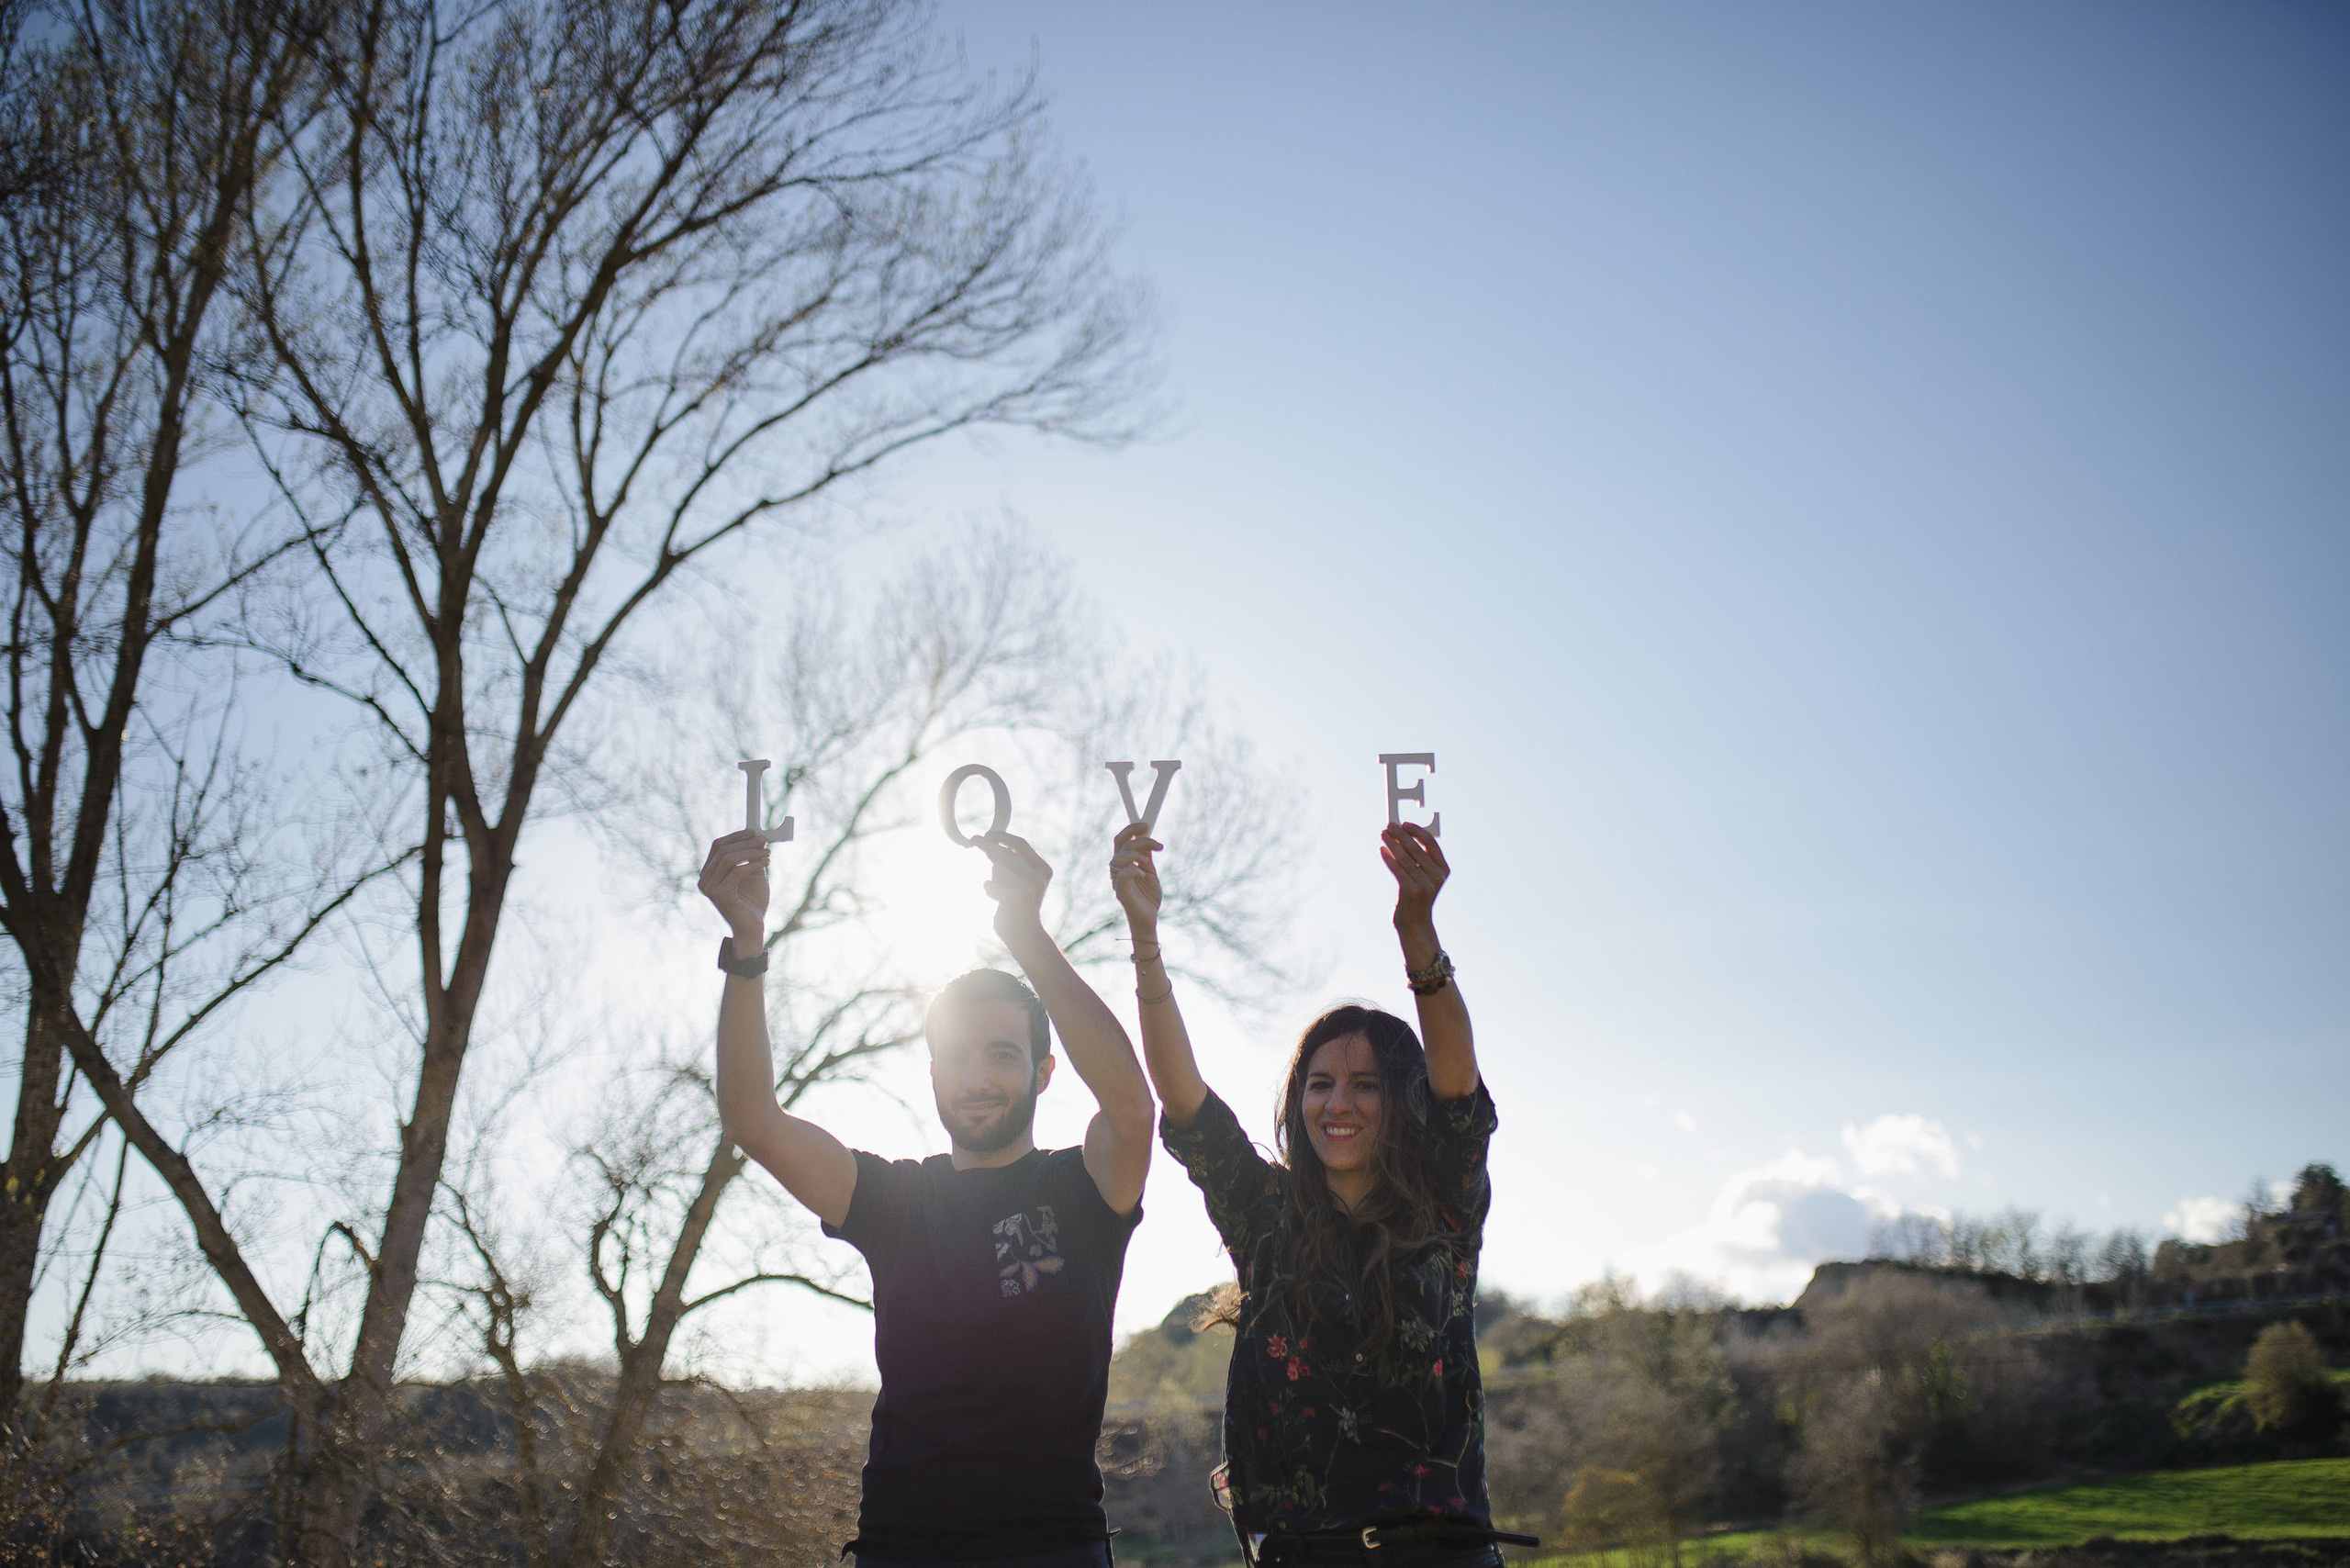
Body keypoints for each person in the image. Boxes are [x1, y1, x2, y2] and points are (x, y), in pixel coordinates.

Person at [701, 825, 1154, 1568]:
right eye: (956, 1057)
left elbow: (1134, 1108)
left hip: (1053, 1550)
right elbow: (754, 1120)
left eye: (1002, 1055)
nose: (975, 1078)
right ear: (933, 1071)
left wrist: (1025, 934)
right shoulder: (895, 1200)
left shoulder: (1083, 1187)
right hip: (902, 1549)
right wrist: (746, 946)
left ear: (1044, 1072)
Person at [1109, 819, 1528, 1568]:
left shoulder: (1445, 1205)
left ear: (1404, 1101)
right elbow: (1183, 1098)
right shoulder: (1263, 1214)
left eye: (1366, 1085)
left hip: (1441, 1555)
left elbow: (1459, 1085)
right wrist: (1145, 939)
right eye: (1320, 1084)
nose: (1338, 1104)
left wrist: (1417, 933)